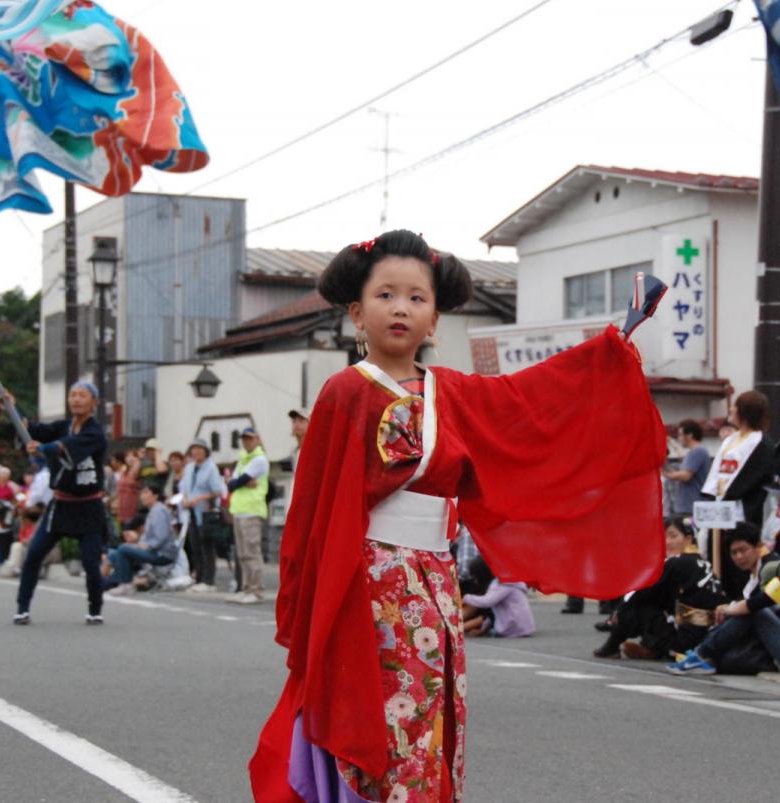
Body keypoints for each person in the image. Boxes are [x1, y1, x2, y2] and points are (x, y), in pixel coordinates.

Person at [250, 230, 667, 803]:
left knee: (431, 716)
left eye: (417, 298)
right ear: (356, 313)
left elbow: (532, 404)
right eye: (386, 295)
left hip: (435, 579)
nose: (401, 308)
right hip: (369, 580)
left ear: (435, 319)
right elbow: (312, 511)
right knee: (383, 717)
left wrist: (611, 347)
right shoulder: (344, 392)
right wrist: (313, 597)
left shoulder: (453, 393)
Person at [668, 517, 780, 676]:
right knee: (736, 647)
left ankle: (701, 653)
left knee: (756, 612)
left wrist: (729, 610)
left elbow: (759, 602)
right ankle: (704, 655)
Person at [3, 381, 110, 626]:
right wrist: (12, 409)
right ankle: (22, 608)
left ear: (93, 402)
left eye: (82, 395)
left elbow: (65, 447)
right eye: (72, 395)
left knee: (90, 564)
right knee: (33, 555)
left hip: (88, 506)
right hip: (61, 504)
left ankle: (95, 609)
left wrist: (43, 449)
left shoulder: (94, 433)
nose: (76, 399)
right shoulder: (64, 426)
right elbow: (34, 429)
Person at [592, 517, 723, 660]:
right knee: (653, 600)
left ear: (688, 539)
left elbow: (639, 594)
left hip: (688, 640)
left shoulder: (676, 562)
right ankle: (650, 646)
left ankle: (613, 645)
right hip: (710, 636)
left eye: (673, 536)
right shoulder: (701, 562)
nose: (668, 542)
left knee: (636, 606)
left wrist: (618, 613)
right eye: (664, 536)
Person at [701, 391, 775, 528]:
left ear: (745, 411)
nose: (731, 409)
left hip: (742, 508)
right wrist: (712, 495)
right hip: (719, 503)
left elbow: (753, 477)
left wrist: (729, 496)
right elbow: (716, 470)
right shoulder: (730, 440)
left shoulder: (760, 443)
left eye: (735, 406)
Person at [106, 484, 179, 595]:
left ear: (155, 496)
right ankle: (118, 581)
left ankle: (126, 584)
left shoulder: (159, 511)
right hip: (153, 550)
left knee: (123, 549)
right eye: (142, 493)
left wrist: (147, 545)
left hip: (161, 553)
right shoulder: (153, 511)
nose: (142, 496)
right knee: (115, 552)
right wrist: (139, 543)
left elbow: (161, 536)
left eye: (146, 493)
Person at [228, 427, 269, 603]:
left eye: (250, 439)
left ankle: (256, 589)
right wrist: (241, 482)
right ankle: (246, 588)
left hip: (252, 510)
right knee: (242, 553)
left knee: (252, 552)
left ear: (257, 439)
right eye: (244, 439)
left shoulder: (260, 459)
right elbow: (232, 484)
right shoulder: (243, 459)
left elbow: (238, 481)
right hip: (239, 510)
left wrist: (240, 482)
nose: (247, 442)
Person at [180, 438, 226, 593]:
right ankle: (199, 578)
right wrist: (186, 499)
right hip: (191, 511)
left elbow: (217, 491)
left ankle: (208, 580)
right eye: (194, 449)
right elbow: (183, 488)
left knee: (207, 546)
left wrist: (199, 498)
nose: (197, 452)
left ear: (206, 451)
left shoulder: (211, 468)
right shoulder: (189, 468)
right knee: (194, 545)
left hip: (205, 512)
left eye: (200, 449)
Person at [461, 568, 535, 638]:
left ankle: (458, 628)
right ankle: (460, 628)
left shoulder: (503, 584)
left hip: (513, 627)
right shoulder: (513, 581)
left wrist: (466, 598)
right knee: (486, 608)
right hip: (524, 627)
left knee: (480, 606)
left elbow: (487, 602)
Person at [663, 419, 711, 518]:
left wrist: (664, 473)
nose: (679, 438)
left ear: (689, 435)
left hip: (693, 505)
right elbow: (682, 454)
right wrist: (671, 442)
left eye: (680, 434)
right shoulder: (694, 452)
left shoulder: (698, 451)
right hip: (689, 505)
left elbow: (685, 476)